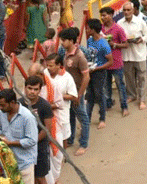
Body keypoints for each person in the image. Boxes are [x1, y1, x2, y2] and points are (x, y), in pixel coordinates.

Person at [43, 53, 77, 181]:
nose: (49, 68)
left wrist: (58, 96)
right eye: (47, 65)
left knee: (63, 138)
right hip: (47, 115)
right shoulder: (44, 74)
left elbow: (74, 96)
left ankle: (61, 160)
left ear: (59, 65)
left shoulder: (67, 78)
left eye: (51, 65)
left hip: (61, 114)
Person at [57, 27, 91, 155]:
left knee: (83, 118)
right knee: (70, 115)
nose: (62, 43)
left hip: (76, 93)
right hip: (68, 93)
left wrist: (79, 95)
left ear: (71, 41)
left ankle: (84, 143)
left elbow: (86, 77)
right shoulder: (65, 53)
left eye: (64, 40)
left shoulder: (80, 57)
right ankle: (70, 139)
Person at [0, 89, 38, 184]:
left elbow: (31, 140)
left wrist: (10, 143)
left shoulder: (27, 117)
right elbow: (1, 129)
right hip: (8, 163)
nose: (0, 107)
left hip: (24, 164)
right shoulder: (2, 114)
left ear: (12, 102)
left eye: (2, 105)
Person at [116, 1, 147, 111]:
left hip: (139, 53)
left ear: (133, 10)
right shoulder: (119, 23)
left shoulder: (140, 22)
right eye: (125, 10)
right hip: (126, 54)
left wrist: (141, 39)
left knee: (142, 76)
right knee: (128, 76)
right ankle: (131, 95)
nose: (126, 12)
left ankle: (142, 99)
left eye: (128, 10)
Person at [21, 75, 54, 184]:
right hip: (22, 148)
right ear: (25, 88)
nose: (32, 92)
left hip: (40, 147)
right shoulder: (18, 104)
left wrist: (32, 142)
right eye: (30, 88)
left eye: (36, 89)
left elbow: (46, 129)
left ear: (40, 90)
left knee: (40, 177)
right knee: (28, 177)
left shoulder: (45, 106)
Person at [99, 7, 130, 117]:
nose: (103, 18)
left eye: (105, 15)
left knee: (120, 85)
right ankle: (108, 104)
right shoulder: (100, 29)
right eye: (102, 16)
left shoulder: (118, 29)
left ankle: (124, 106)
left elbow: (126, 44)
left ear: (111, 15)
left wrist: (114, 45)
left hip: (116, 63)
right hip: (104, 63)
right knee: (106, 86)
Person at [85, 18, 114, 129]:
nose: (86, 29)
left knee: (100, 95)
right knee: (90, 95)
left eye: (88, 28)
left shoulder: (103, 44)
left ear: (93, 29)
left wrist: (97, 68)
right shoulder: (89, 41)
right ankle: (87, 118)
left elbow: (110, 62)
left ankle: (102, 118)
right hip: (90, 71)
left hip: (99, 73)